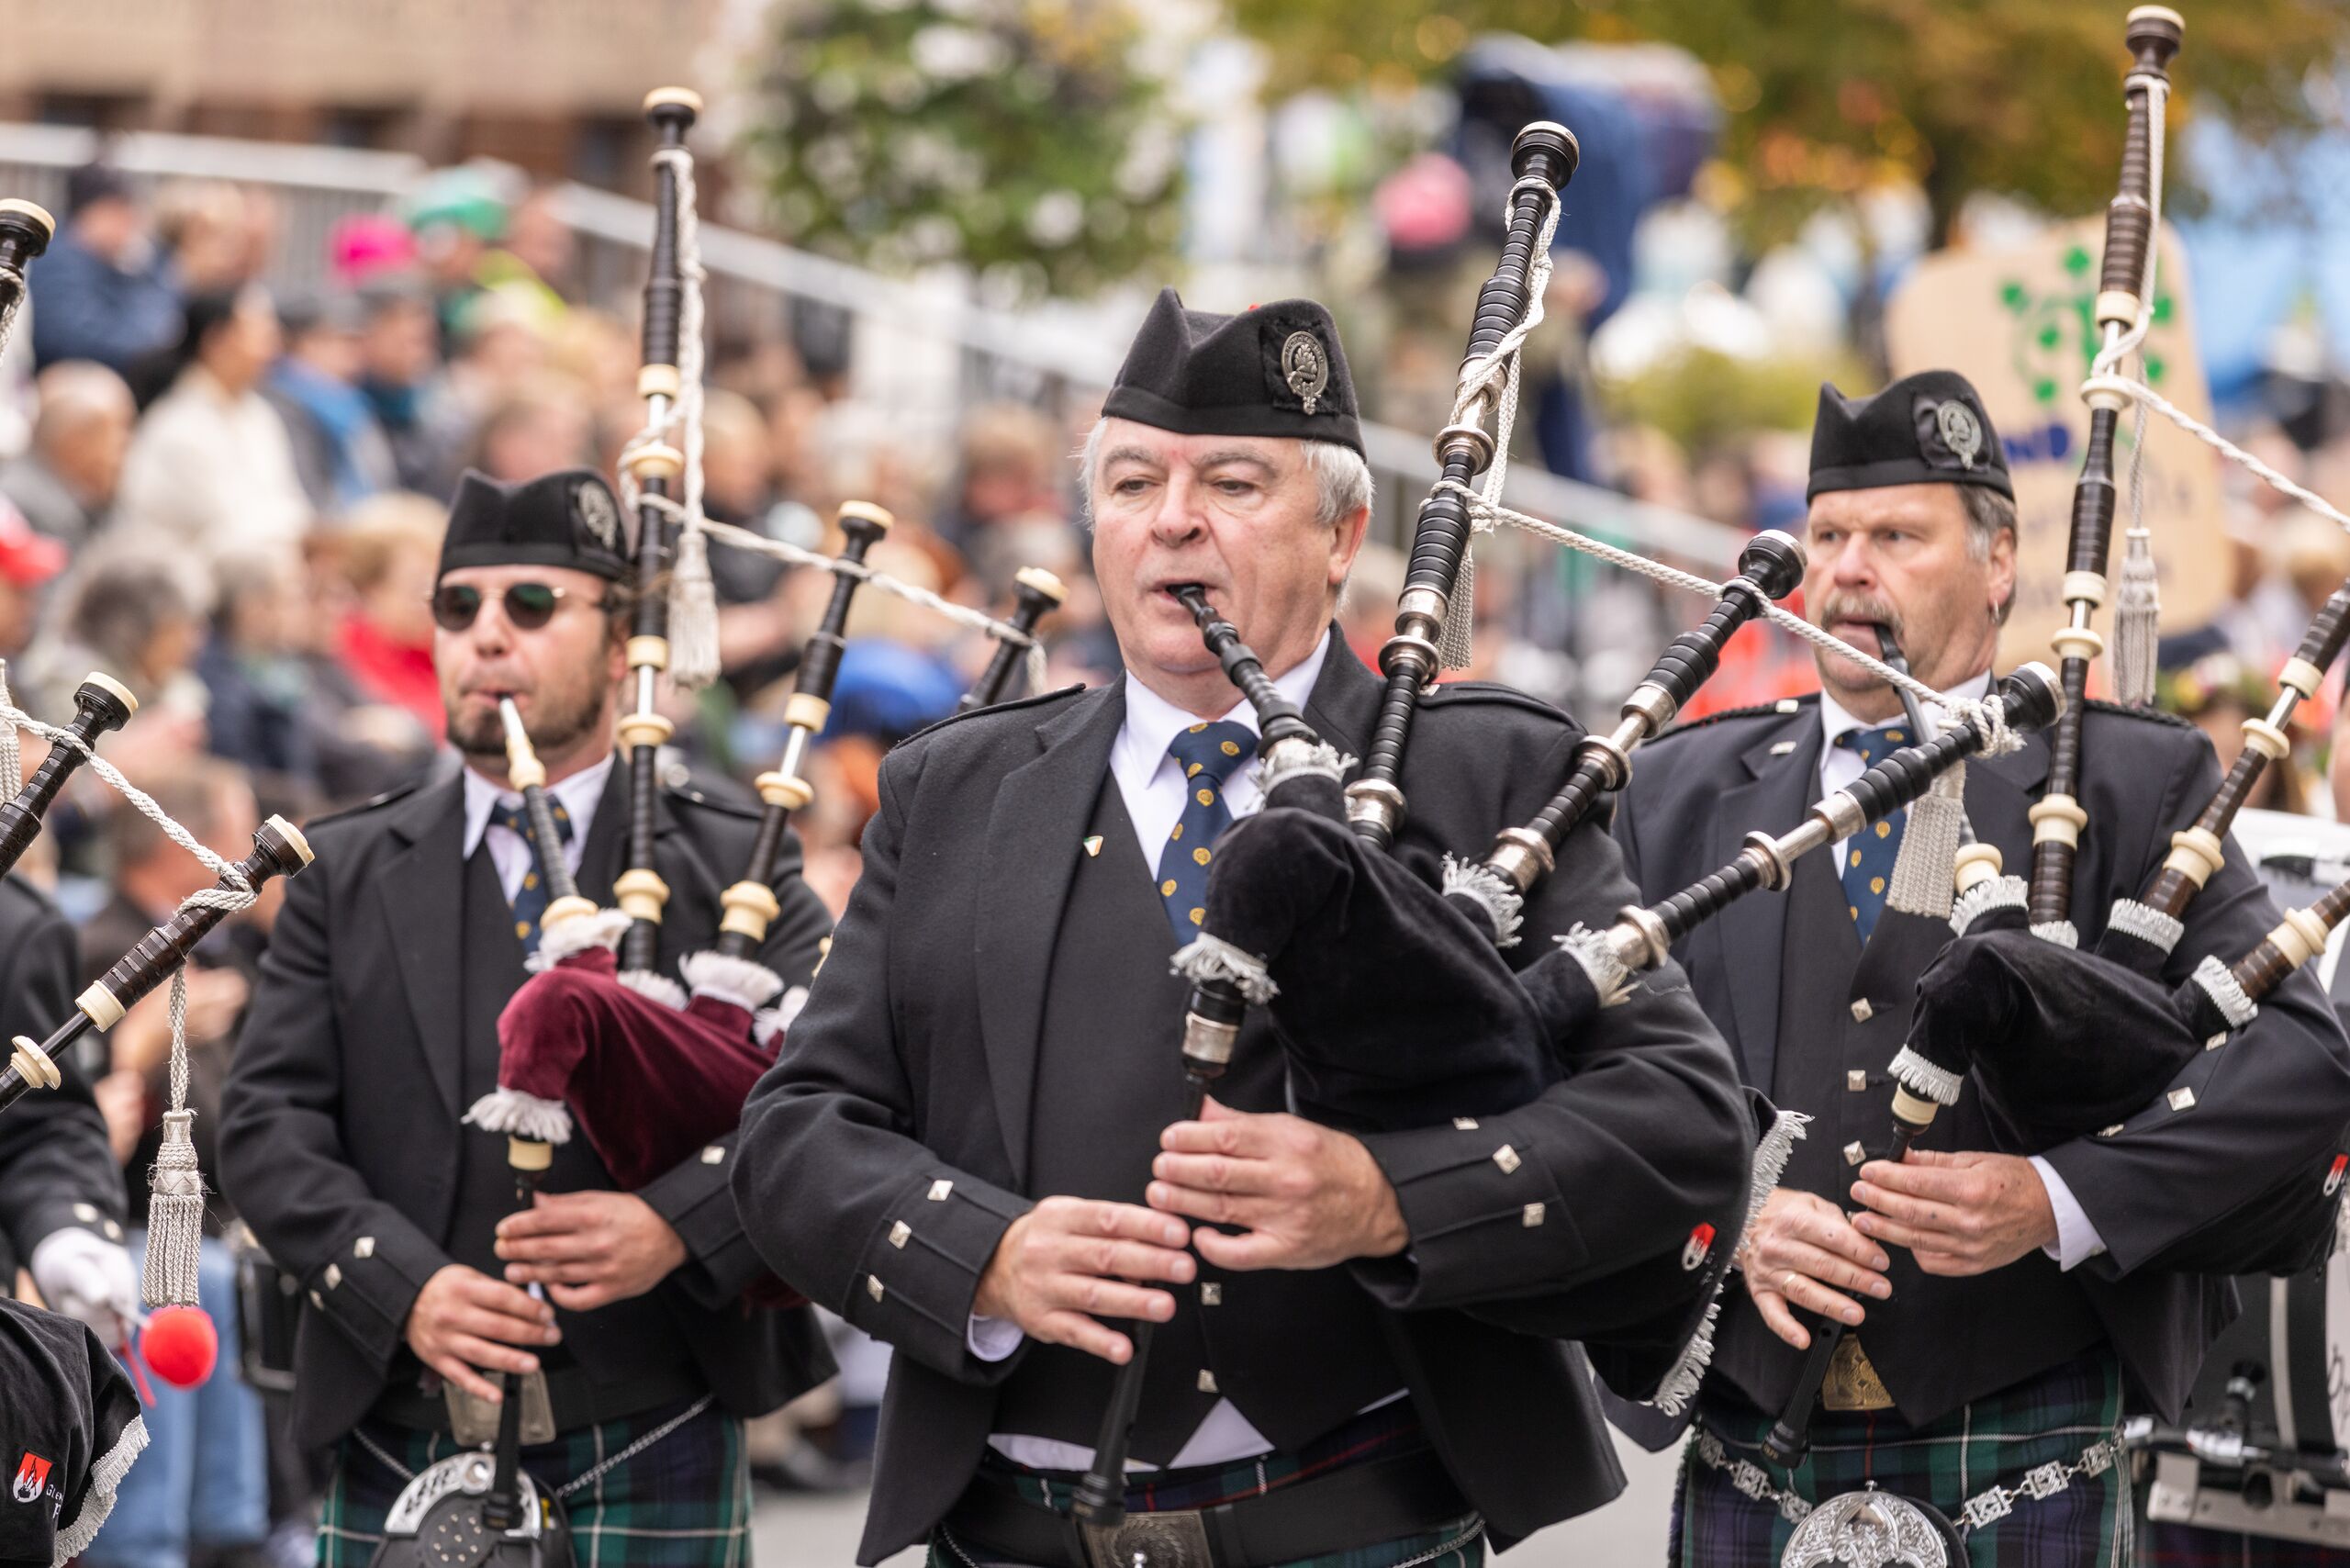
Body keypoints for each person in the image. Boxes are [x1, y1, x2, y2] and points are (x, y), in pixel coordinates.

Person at [733, 290, 1754, 1566]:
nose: (1172, 519)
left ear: (1343, 536)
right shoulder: (957, 792)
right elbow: (795, 1135)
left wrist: (1388, 1200)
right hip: (1016, 1536)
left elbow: (1678, 1122)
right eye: (1132, 483)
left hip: (1364, 1528)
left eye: (1231, 482)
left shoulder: (1487, 775)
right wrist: (984, 1257)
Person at [1610, 370, 2350, 1566]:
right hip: (1750, 1447)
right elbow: (1585, 1078)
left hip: (2026, 1441)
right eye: (1828, 536)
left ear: (2000, 561)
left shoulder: (2126, 784)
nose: (1849, 570)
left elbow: (2304, 1068)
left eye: (1897, 536)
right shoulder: (1679, 792)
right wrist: (1726, 1213)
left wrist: (2055, 1199)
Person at [218, 466, 835, 1568]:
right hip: (402, 1424)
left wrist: (675, 1225)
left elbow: (822, 1105)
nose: (487, 635)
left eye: (532, 603)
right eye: (458, 606)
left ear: (621, 642)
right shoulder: (343, 869)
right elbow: (268, 1124)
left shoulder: (733, 862)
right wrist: (403, 1285)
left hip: (657, 1417)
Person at [79, 762, 271, 1568]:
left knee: (229, 1272)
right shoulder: (103, 949)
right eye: (235, 834)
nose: (246, 860)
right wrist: (135, 1048)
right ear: (178, 846)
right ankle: (151, 1545)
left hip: (190, 1227)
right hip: (108, 1224)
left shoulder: (198, 952)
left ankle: (238, 1529)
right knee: (192, 1279)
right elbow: (78, 1124)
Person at [115, 285, 312, 599]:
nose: (273, 348)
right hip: (194, 595)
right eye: (260, 333)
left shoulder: (261, 415)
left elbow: (291, 504)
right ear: (217, 340)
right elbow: (232, 534)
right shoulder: (178, 427)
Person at [28, 162, 183, 375]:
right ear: (88, 214)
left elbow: (171, 315)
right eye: (117, 212)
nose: (129, 223)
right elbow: (71, 339)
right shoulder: (54, 260)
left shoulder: (134, 257)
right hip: (72, 373)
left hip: (128, 368)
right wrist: (151, 348)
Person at [0, 361, 137, 549]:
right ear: (76, 443)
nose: (127, 444)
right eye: (121, 430)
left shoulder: (95, 503)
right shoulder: (24, 512)